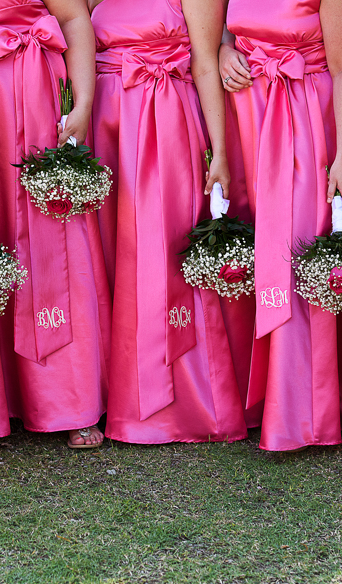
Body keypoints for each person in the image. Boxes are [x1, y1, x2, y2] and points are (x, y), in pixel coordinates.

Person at [0, 0, 110, 448]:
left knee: (54, 233)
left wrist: (84, 100)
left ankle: (70, 398)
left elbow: (74, 18)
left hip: (37, 92)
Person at [89, 0, 248, 444]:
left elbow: (202, 63)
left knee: (163, 254)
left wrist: (218, 148)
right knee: (111, 254)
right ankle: (108, 390)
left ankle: (180, 403)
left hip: (165, 120)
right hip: (108, 121)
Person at [219, 0, 342, 451]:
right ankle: (256, 399)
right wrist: (225, 49)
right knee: (256, 249)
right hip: (248, 114)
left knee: (296, 252)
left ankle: (303, 411)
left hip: (304, 115)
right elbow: (226, 28)